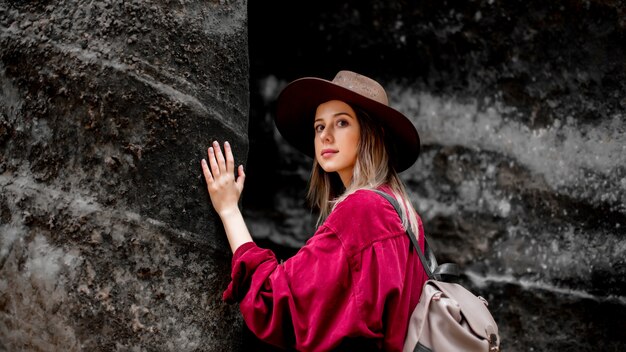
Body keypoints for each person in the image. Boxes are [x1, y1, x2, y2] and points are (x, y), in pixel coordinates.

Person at [201, 70, 429, 351]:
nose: (326, 136)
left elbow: (275, 299)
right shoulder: (405, 215)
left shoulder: (362, 210)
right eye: (319, 127)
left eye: (342, 122)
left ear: (374, 133)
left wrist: (228, 210)